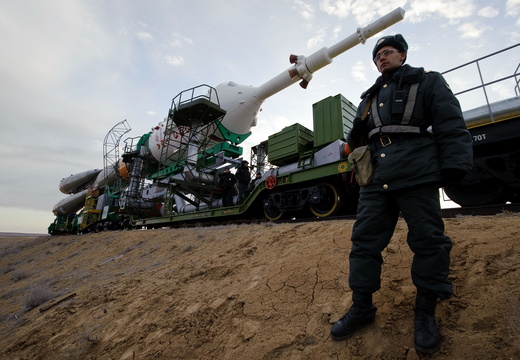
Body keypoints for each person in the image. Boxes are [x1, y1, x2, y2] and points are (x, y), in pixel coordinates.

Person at [330, 34, 473, 354]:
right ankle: (362, 308)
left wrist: (454, 164)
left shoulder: (426, 81)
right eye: (377, 55)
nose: (382, 57)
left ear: (402, 54)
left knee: (429, 241)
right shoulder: (368, 98)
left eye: (388, 52)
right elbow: (357, 139)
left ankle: (425, 314)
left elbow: (450, 121)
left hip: (417, 172)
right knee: (364, 243)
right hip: (376, 179)